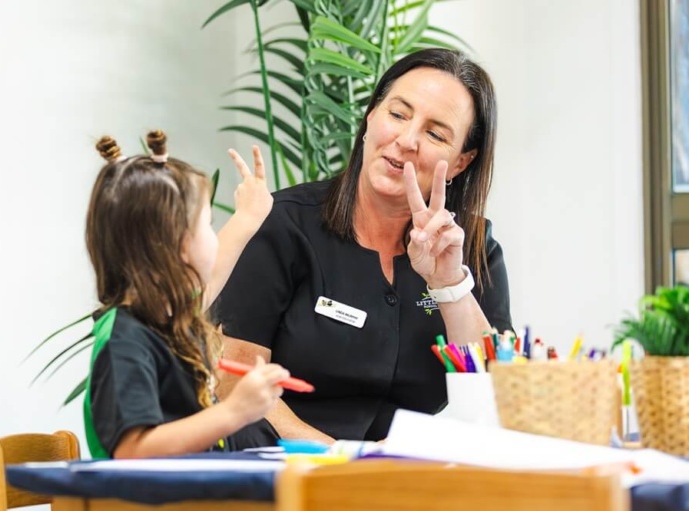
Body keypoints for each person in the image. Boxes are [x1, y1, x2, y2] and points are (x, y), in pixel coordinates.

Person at [215, 48, 513, 443]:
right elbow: (233, 380)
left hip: (414, 475)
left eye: (436, 134)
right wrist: (342, 461)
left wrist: (449, 284)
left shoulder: (471, 249)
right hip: (288, 466)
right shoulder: (283, 224)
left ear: (462, 161)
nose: (407, 140)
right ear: (370, 116)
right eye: (398, 114)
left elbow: (494, 395)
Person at [83, 130, 290, 459]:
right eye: (208, 223)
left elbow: (211, 276)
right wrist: (234, 412)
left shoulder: (167, 322)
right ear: (175, 245)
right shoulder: (125, 339)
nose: (213, 234)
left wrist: (249, 217)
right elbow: (131, 451)